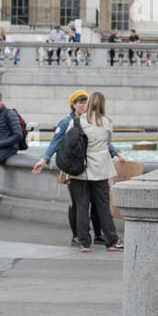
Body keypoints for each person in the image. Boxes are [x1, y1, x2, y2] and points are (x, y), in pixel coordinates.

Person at [32, 90, 123, 245]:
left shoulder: (90, 121)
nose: (83, 105)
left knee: (88, 204)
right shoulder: (67, 122)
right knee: (77, 204)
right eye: (80, 102)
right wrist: (44, 159)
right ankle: (78, 235)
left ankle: (93, 236)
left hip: (84, 169)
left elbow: (104, 143)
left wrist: (116, 152)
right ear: (73, 105)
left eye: (85, 101)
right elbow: (56, 142)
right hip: (75, 167)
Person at [64, 91, 124, 252]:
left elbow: (67, 143)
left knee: (82, 207)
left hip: (79, 170)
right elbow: (108, 143)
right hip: (100, 170)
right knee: (103, 207)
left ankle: (84, 242)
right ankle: (112, 241)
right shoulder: (106, 122)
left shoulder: (76, 122)